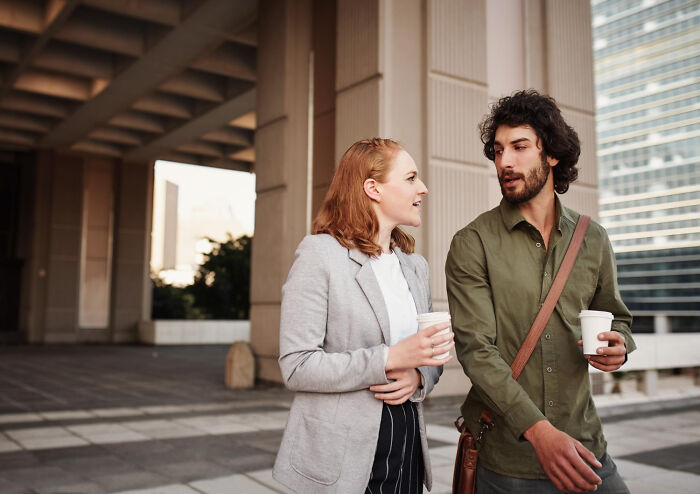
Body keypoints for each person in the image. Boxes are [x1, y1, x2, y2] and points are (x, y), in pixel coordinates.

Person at [445, 90, 636, 494]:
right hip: (507, 464)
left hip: (587, 450)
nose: (505, 162)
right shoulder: (472, 243)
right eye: (498, 151)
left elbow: (615, 315)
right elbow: (477, 352)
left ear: (551, 155)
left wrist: (620, 344)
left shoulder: (593, 239)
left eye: (519, 147)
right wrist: (538, 431)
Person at [273, 138, 455, 493]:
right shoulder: (320, 255)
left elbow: (429, 357)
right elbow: (297, 365)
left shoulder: (415, 267)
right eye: (410, 178)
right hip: (341, 457)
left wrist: (420, 376)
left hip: (407, 442)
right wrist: (389, 359)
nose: (423, 188)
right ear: (373, 188)